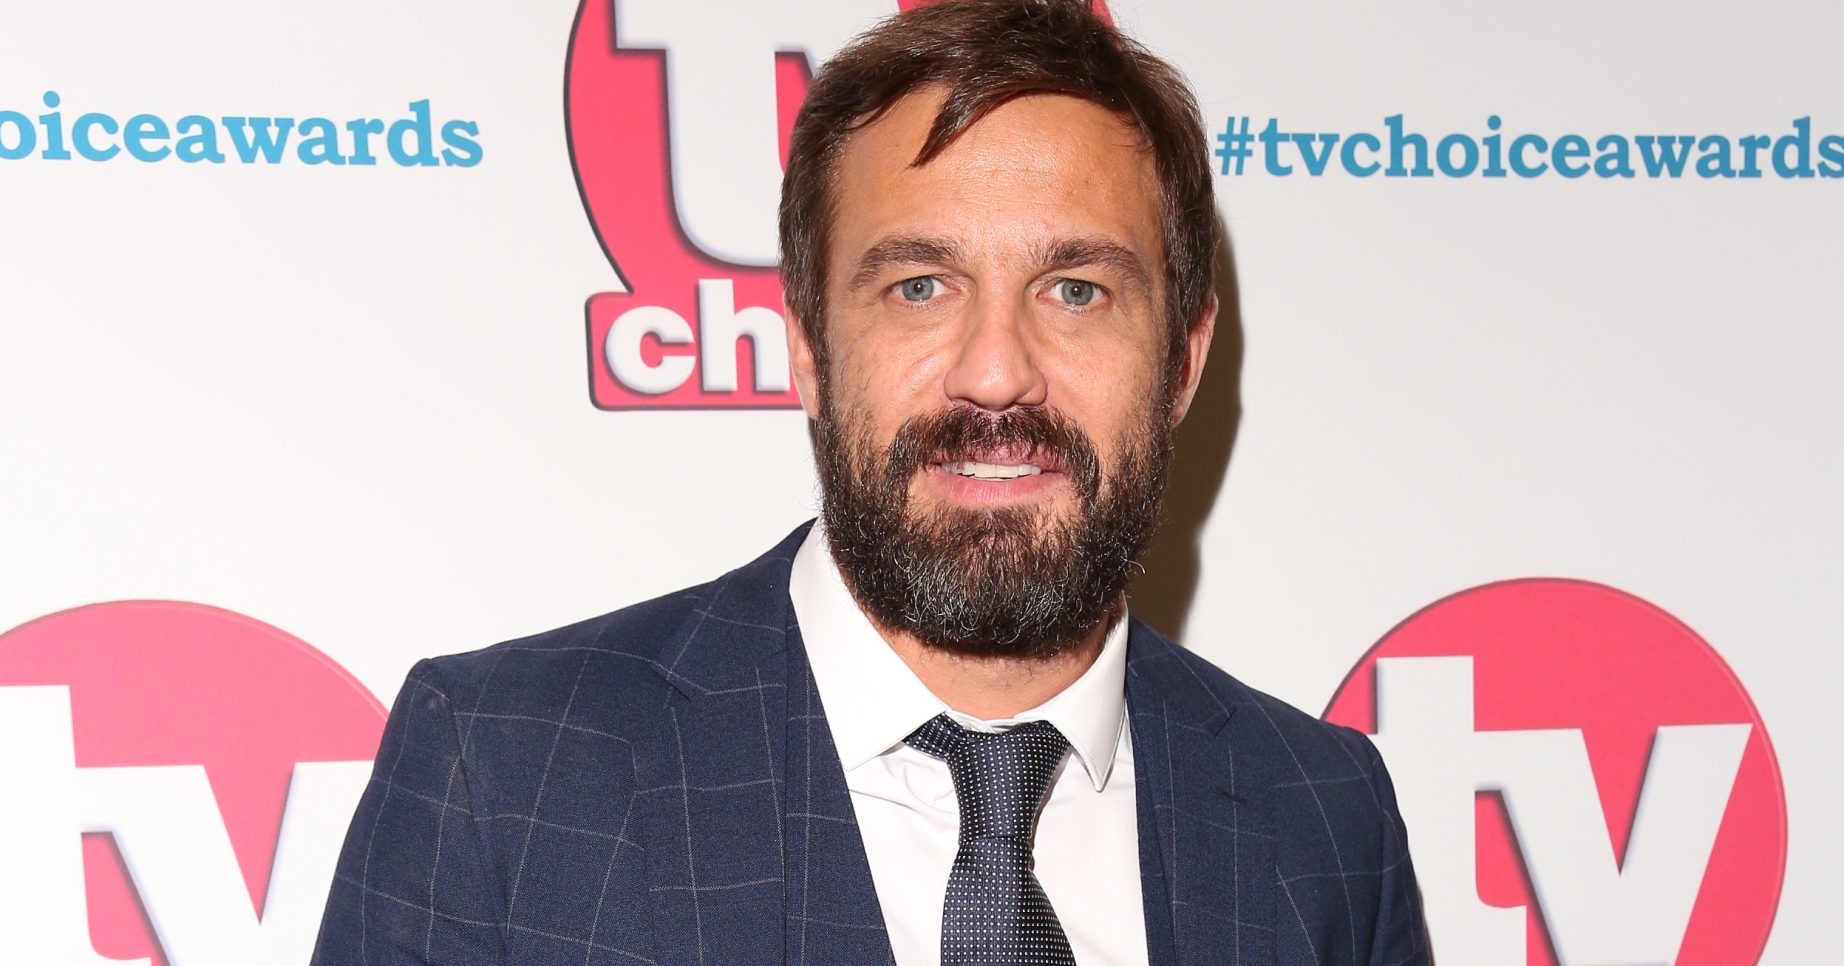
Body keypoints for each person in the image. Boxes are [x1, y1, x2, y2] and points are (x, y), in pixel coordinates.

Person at [311, 1, 1430, 963]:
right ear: (807, 347)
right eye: (920, 287)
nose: (995, 371)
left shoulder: (1324, 819)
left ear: (1183, 360)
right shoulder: (504, 776)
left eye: (1076, 290)